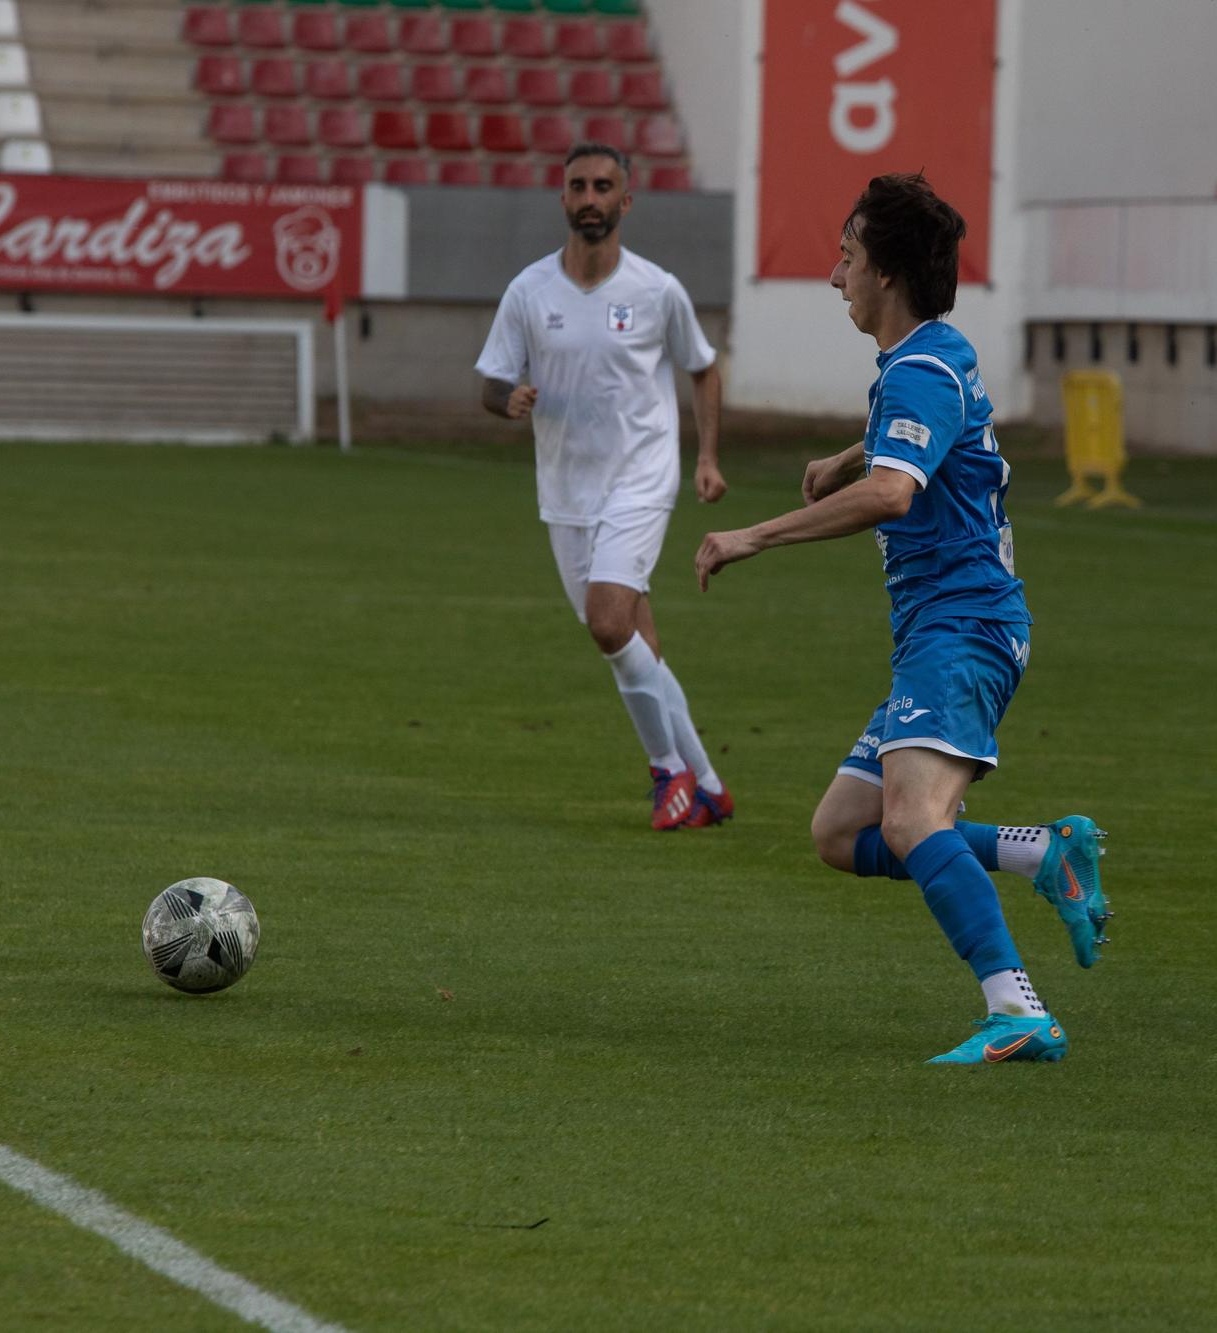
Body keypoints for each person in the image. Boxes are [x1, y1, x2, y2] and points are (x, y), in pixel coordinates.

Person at [693, 172, 1111, 1064]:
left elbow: (894, 493)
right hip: (945, 631)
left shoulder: (918, 368)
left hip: (963, 631)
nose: (834, 273)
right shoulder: (933, 355)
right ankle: (1045, 856)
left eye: (846, 255)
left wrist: (753, 536)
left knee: (915, 819)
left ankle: (1018, 1008)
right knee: (843, 832)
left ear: (883, 270)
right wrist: (848, 452)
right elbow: (932, 427)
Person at [475, 143, 735, 831]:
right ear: (563, 199)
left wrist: (707, 456)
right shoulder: (529, 291)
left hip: (642, 476)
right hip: (565, 490)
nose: (590, 197)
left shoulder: (656, 289)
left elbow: (703, 368)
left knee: (608, 620)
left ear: (626, 201)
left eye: (604, 186)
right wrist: (509, 401)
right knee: (634, 645)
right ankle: (708, 783)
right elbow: (490, 382)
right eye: (578, 185)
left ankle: (666, 772)